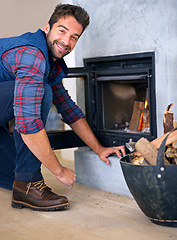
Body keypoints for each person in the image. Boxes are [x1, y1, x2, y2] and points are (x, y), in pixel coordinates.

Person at [0, 3, 125, 211]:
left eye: (74, 37)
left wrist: (99, 149)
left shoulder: (50, 64)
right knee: (43, 93)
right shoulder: (32, 55)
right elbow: (28, 121)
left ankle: (24, 184)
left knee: (15, 174)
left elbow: (69, 111)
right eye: (62, 31)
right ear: (47, 27)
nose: (66, 41)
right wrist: (59, 171)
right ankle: (28, 184)